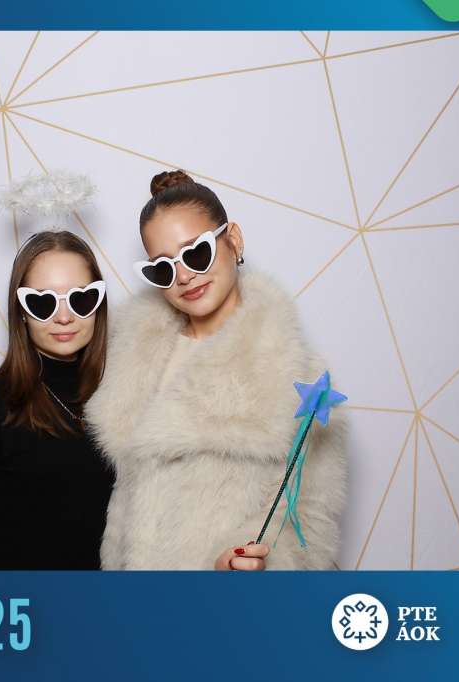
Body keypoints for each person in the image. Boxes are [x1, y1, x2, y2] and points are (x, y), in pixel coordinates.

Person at [84, 170, 348, 571]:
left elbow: (309, 519)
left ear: (233, 240)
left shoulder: (301, 380)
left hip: (217, 602)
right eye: (163, 268)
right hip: (125, 600)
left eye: (196, 253)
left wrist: (258, 561)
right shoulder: (123, 354)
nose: (184, 275)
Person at [0, 231, 115, 569]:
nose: (64, 317)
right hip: (22, 602)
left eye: (80, 299)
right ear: (21, 310)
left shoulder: (126, 395)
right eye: (43, 302)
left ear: (99, 305)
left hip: (114, 601)